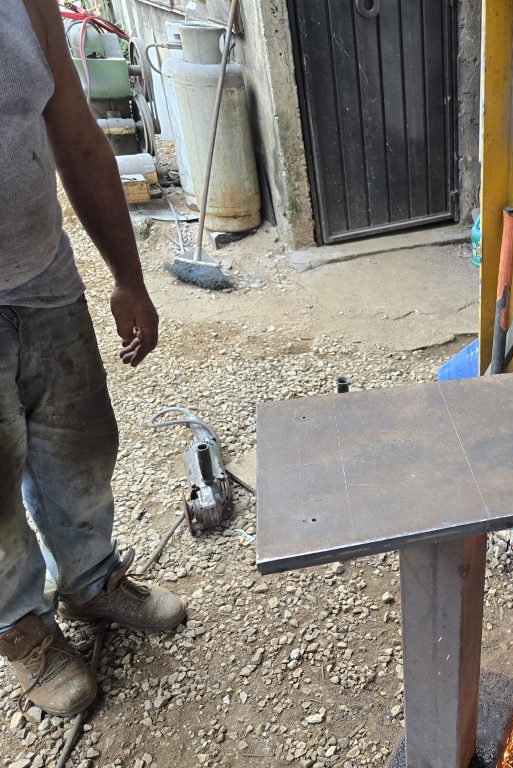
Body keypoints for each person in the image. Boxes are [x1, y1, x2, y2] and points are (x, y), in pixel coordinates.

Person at [0, 0, 185, 716]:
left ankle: (89, 580)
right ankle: (21, 628)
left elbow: (77, 139)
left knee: (79, 446)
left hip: (44, 278)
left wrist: (128, 279)